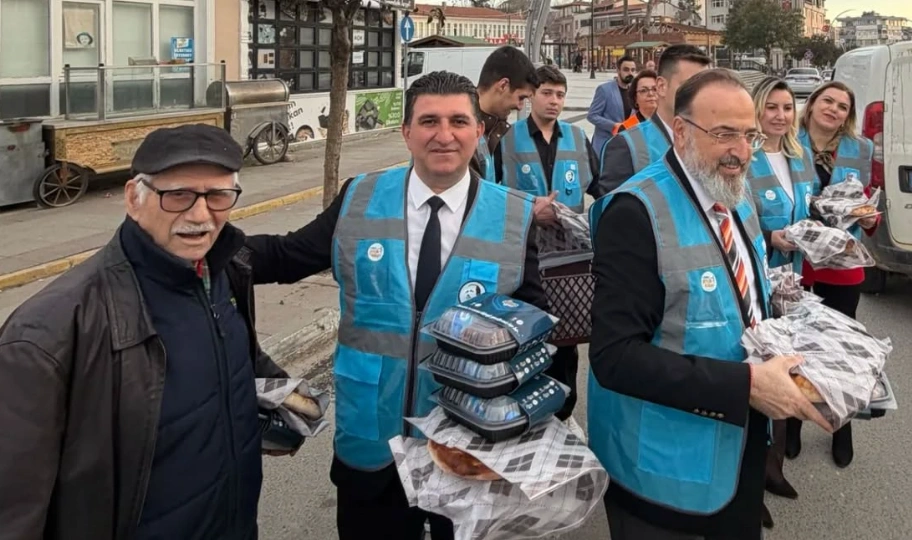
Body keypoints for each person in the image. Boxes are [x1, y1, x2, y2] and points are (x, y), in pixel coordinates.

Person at [243, 71, 549, 540]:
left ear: (479, 131)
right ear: (406, 132)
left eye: (458, 121)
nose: (443, 135)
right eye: (428, 121)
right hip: (372, 441)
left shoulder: (515, 217)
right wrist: (207, 246)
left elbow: (537, 334)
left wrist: (529, 426)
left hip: (465, 445)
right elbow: (287, 255)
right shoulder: (359, 199)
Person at [0, 124, 289, 540]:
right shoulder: (49, 333)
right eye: (178, 195)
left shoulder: (222, 273)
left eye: (218, 196)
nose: (200, 214)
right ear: (134, 198)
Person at [587, 68, 832, 540]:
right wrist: (745, 386)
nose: (740, 151)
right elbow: (613, 358)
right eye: (723, 134)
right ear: (680, 131)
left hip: (739, 451)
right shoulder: (635, 212)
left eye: (748, 134)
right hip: (664, 476)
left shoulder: (735, 197)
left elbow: (744, 301)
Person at [492, 64, 600, 425]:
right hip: (525, 258)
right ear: (531, 97)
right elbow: (492, 198)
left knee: (566, 339)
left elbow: (599, 189)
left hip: (569, 261)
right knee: (529, 336)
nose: (554, 101)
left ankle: (564, 411)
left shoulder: (577, 138)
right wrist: (527, 213)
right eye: (546, 93)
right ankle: (528, 412)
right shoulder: (507, 142)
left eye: (560, 94)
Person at [788, 81, 878, 469]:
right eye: (828, 100)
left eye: (843, 106)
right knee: (794, 346)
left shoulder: (861, 149)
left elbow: (868, 202)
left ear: (848, 115)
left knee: (839, 349)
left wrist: (870, 218)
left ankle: (841, 426)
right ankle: (790, 422)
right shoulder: (788, 142)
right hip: (797, 263)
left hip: (843, 264)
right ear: (811, 106)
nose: (834, 109)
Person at [745, 77, 820, 518]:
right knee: (759, 374)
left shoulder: (800, 155)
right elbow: (733, 219)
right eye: (771, 107)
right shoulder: (745, 157)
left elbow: (809, 211)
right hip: (755, 280)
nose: (779, 115)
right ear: (756, 110)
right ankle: (751, 482)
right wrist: (770, 235)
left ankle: (774, 468)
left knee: (788, 370)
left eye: (787, 107)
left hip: (792, 282)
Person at [597, 45, 711, 196]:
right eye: (689, 86)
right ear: (662, 86)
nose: (699, 96)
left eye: (705, 88)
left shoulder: (712, 138)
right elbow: (613, 211)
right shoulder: (625, 146)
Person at [471, 45, 539, 180]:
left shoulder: (496, 132)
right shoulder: (460, 129)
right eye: (521, 98)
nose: (520, 107)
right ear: (503, 85)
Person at [588, 55, 638, 154]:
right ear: (618, 71)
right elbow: (592, 115)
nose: (630, 73)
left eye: (633, 70)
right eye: (626, 70)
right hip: (605, 145)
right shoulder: (604, 90)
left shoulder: (636, 91)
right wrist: (613, 126)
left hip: (627, 146)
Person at [612, 69, 659, 136]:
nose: (651, 93)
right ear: (635, 98)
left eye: (655, 89)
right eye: (644, 90)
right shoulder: (630, 127)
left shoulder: (672, 122)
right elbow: (640, 146)